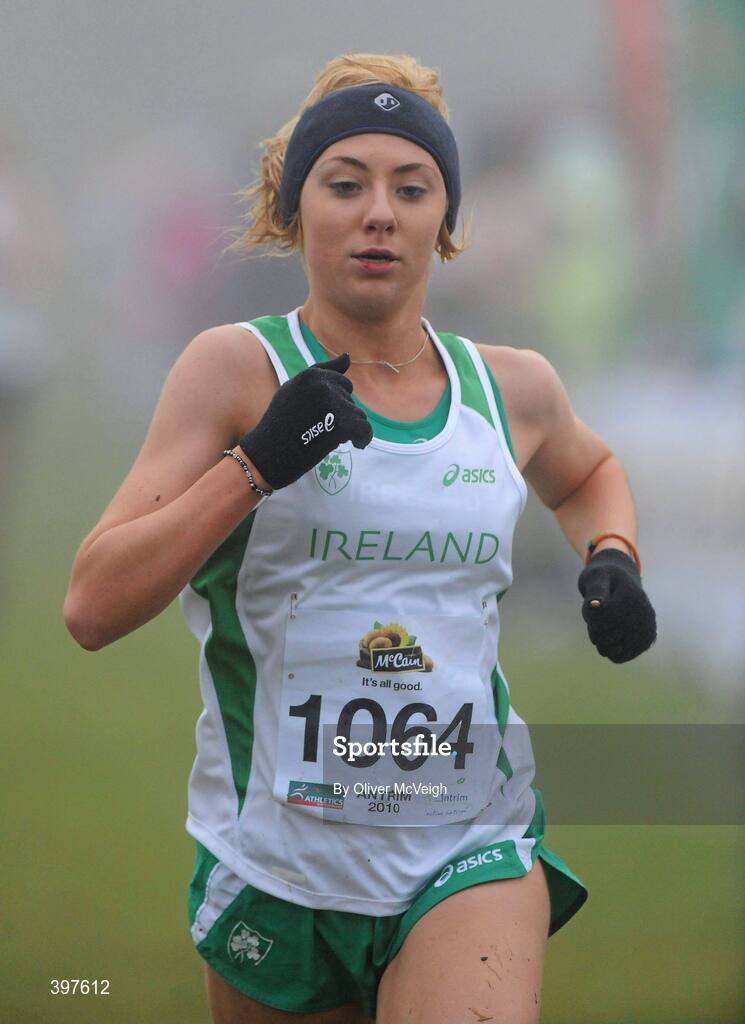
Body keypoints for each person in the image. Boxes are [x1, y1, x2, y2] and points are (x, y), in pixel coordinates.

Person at [64, 53, 657, 1024]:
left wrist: (612, 557)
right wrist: (254, 466)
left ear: (446, 220)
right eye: (346, 185)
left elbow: (589, 471)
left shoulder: (510, 389)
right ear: (299, 210)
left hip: (467, 842)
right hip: (277, 857)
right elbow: (91, 605)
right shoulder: (233, 371)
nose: (379, 212)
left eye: (411, 188)